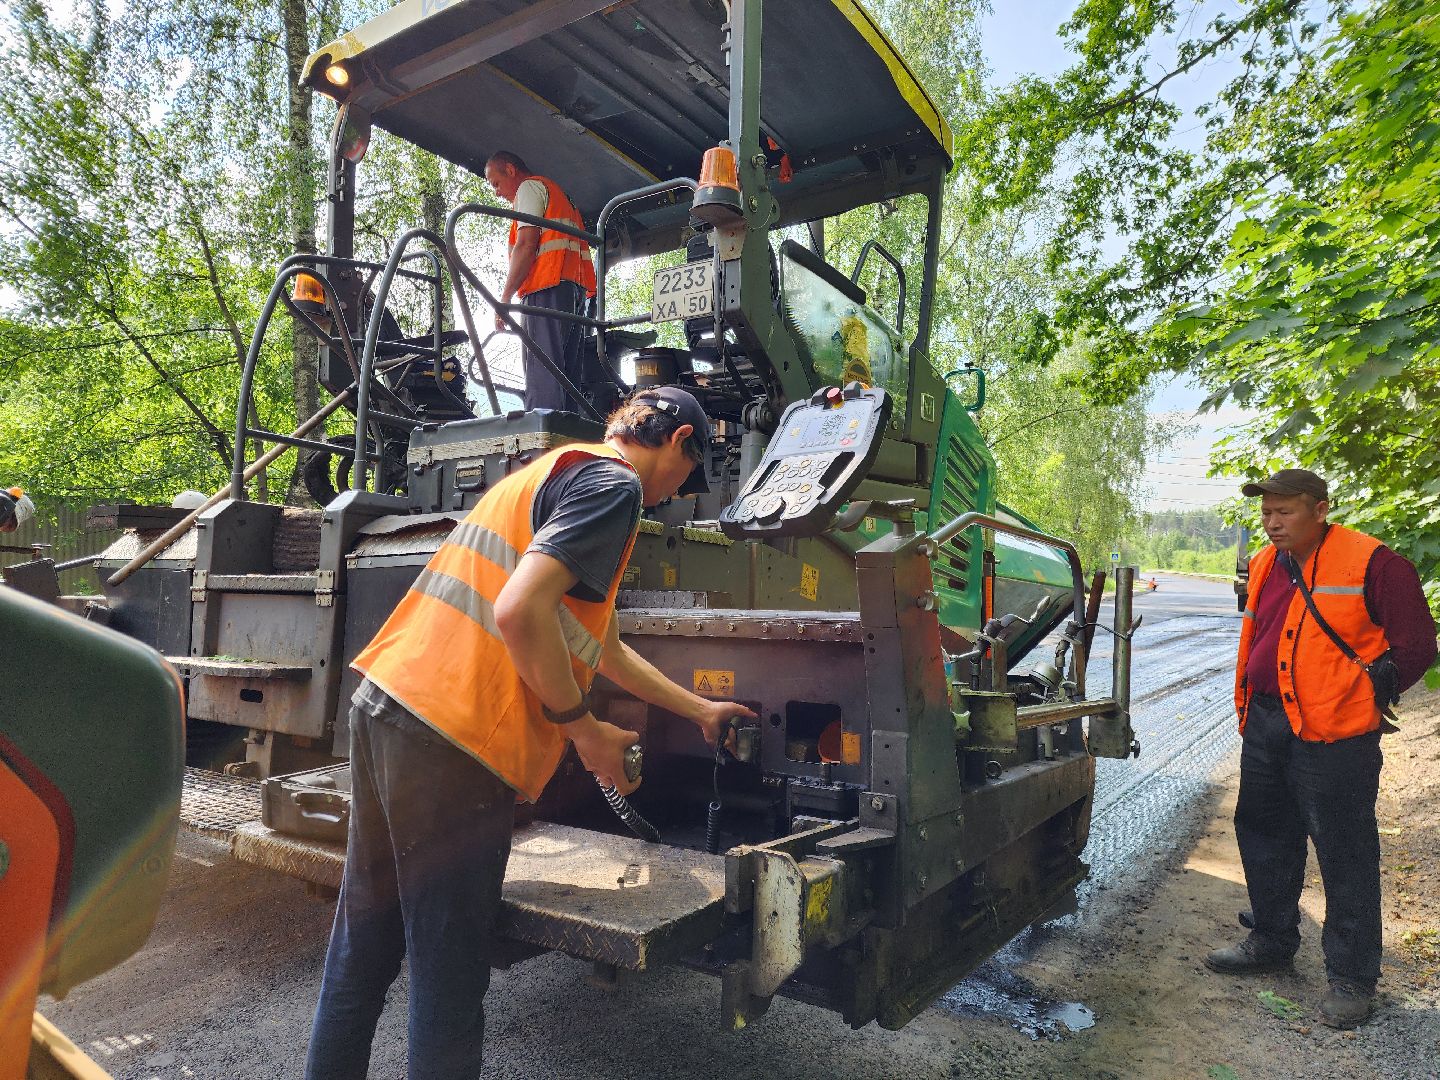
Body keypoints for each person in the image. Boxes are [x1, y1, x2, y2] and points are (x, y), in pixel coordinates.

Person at [305, 386, 748, 1080]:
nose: (682, 488)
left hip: (388, 705)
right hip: (453, 742)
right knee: (448, 980)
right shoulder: (615, 489)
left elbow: (600, 644)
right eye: (693, 468)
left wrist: (697, 710)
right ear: (681, 443)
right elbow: (518, 612)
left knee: (363, 949)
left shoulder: (553, 472)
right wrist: (584, 731)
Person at [1204, 469, 1436, 1029]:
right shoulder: (1263, 562)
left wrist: (1366, 700)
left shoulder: (1375, 563)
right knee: (1262, 831)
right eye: (1266, 513)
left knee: (1345, 851)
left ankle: (1353, 978)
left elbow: (1419, 643)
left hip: (1336, 735)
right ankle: (1272, 939)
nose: (1272, 522)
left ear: (1321, 509)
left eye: (1285, 512)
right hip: (1266, 720)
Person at [483, 150, 597, 412]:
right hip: (572, 289)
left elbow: (525, 244)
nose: (497, 193)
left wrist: (505, 298)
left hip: (546, 286)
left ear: (510, 170)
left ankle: (541, 439)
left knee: (542, 370)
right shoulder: (557, 193)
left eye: (496, 183)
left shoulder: (529, 188)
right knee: (566, 373)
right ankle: (565, 434)